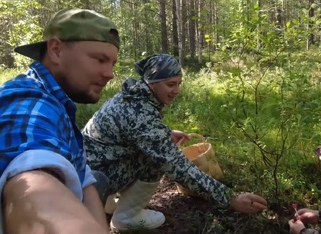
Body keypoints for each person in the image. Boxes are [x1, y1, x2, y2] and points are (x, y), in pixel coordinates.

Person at [0, 8, 120, 233]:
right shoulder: (25, 103)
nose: (109, 73)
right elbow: (30, 173)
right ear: (56, 50)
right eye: (99, 59)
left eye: (112, 64)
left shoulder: (58, 103)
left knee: (97, 179)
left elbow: (83, 178)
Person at [82, 54, 268, 230]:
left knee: (155, 151)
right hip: (95, 180)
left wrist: (166, 132)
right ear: (152, 83)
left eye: (179, 84)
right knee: (158, 159)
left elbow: (131, 131)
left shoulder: (132, 96)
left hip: (93, 169)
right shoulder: (140, 113)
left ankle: (108, 204)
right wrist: (230, 197)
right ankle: (127, 217)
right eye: (171, 84)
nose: (177, 90)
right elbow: (177, 165)